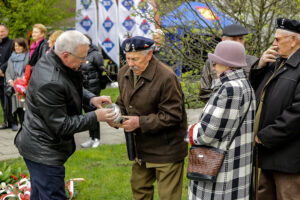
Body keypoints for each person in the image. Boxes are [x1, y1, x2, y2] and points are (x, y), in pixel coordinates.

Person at [14, 30, 116, 199]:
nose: (84, 62)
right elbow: (62, 125)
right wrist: (97, 116)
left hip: (39, 144)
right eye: (82, 58)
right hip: (43, 151)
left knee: (39, 195)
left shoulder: (54, 60)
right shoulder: (50, 81)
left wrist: (92, 99)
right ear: (66, 55)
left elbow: (69, 87)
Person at [112, 36, 188, 200]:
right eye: (128, 58)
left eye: (135, 58)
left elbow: (173, 115)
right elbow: (123, 102)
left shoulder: (166, 77)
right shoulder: (124, 72)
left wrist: (139, 122)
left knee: (169, 197)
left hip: (167, 150)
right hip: (141, 149)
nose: (130, 63)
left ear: (149, 55)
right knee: (139, 191)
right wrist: (115, 115)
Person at [188, 40, 256, 199]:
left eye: (216, 62)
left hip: (222, 174)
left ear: (227, 64)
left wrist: (191, 130)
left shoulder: (230, 88)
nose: (213, 67)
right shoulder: (244, 84)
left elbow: (207, 133)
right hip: (235, 167)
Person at [250, 18, 300, 199]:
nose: (274, 43)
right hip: (266, 153)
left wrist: (265, 136)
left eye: (278, 39)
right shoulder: (275, 62)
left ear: (294, 40)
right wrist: (260, 66)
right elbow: (253, 93)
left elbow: (297, 114)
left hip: (289, 159)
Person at [199, 24, 258, 102]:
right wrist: (223, 102)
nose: (238, 43)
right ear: (223, 40)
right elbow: (204, 93)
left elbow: (258, 92)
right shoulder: (211, 62)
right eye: (233, 39)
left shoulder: (254, 62)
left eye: (241, 39)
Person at [80, 34, 104, 148]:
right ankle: (91, 137)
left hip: (93, 88)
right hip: (83, 88)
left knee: (94, 114)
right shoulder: (80, 54)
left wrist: (99, 86)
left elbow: (102, 72)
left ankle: (97, 138)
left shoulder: (95, 54)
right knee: (88, 114)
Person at [5, 38, 29, 129]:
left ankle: (23, 123)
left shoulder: (27, 56)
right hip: (13, 84)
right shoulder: (11, 57)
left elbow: (28, 69)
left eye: (19, 46)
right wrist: (10, 80)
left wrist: (22, 80)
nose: (17, 48)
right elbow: (7, 71)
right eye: (15, 46)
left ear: (24, 47)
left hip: (23, 84)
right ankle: (14, 122)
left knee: (22, 104)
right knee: (13, 103)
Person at [0, 24, 14, 130]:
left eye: (2, 31)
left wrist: (2, 68)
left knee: (8, 100)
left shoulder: (12, 43)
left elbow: (12, 57)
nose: (0, 33)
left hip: (6, 75)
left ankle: (12, 122)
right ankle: (5, 122)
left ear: (7, 31)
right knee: (2, 101)